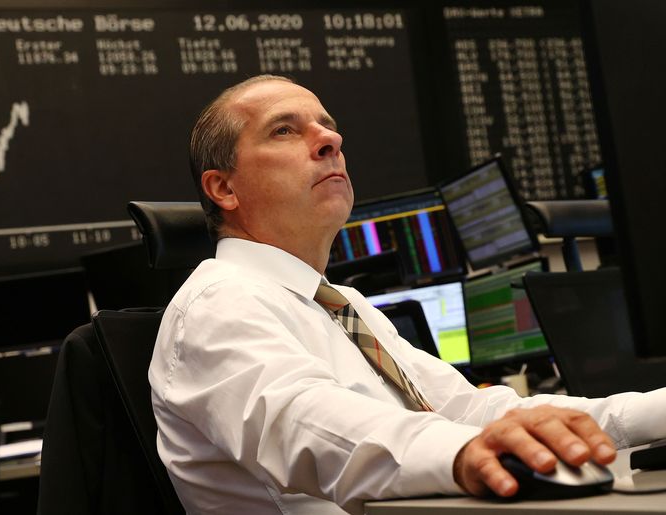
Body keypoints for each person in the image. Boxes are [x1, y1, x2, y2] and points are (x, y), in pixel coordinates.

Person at [149, 74, 666, 514]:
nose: (330, 139)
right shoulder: (218, 303)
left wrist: (648, 413)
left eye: (327, 126)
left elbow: (472, 412)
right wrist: (466, 453)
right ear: (224, 189)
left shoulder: (341, 305)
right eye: (284, 130)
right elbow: (310, 428)